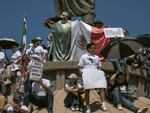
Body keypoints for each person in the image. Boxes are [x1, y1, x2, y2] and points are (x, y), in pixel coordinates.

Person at [78, 43, 107, 113]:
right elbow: (80, 66)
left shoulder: (97, 57)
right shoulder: (83, 56)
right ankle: (88, 107)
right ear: (88, 48)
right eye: (93, 48)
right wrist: (82, 73)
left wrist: (100, 73)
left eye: (95, 48)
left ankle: (103, 104)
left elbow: (99, 66)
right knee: (87, 90)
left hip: (96, 73)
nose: (94, 49)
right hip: (87, 73)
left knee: (102, 88)